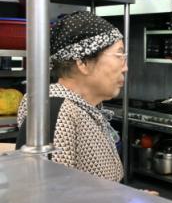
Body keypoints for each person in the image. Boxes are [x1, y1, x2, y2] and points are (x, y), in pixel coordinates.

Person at [17, 11, 127, 182]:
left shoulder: (81, 109)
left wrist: (127, 196)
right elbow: (51, 193)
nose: (125, 67)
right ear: (83, 62)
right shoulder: (55, 111)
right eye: (119, 56)